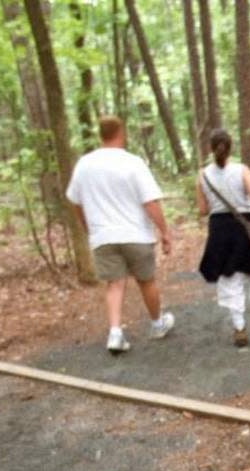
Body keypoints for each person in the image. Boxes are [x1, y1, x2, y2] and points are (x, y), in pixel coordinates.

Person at [66, 115, 175, 355]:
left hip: (103, 235)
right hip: (136, 233)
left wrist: (88, 226)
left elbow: (74, 200)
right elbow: (150, 202)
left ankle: (115, 333)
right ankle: (157, 323)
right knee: (146, 280)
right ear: (121, 132)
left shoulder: (84, 164)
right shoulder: (133, 162)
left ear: (99, 134)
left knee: (114, 284)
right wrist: (164, 231)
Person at [196, 129, 250, 348]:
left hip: (219, 229)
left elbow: (202, 210)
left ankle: (239, 329)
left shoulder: (202, 175)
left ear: (211, 149)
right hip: (245, 226)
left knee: (229, 277)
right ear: (231, 148)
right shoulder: (242, 170)